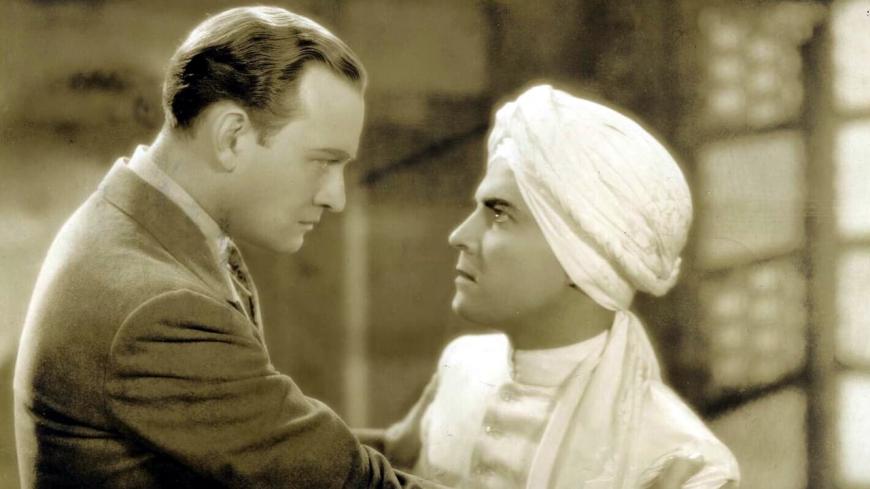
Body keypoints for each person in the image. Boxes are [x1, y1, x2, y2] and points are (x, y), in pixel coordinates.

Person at [13, 7, 440, 488]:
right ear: (232, 136)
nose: (335, 197)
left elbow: (252, 439)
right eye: (323, 161)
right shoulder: (159, 308)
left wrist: (408, 446)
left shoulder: (132, 230)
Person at [383, 85, 740, 488]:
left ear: (581, 256)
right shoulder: (461, 366)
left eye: (499, 214)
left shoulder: (680, 462)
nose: (460, 235)